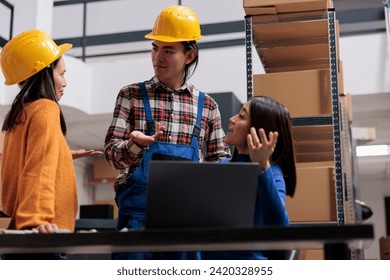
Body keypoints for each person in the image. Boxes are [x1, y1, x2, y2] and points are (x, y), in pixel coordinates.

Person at [104, 5, 231, 260]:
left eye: (168, 50)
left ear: (189, 55)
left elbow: (220, 166)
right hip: (138, 217)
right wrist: (134, 146)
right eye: (155, 48)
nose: (157, 57)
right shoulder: (131, 96)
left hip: (188, 221)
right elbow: (110, 155)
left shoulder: (207, 106)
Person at [0, 29, 100, 260]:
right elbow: (39, 168)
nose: (65, 82)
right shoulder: (46, 108)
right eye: (62, 73)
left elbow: (19, 170)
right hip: (43, 236)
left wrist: (64, 154)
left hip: (20, 237)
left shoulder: (19, 114)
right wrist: (37, 220)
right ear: (45, 71)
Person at [201, 95, 297, 260]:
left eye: (242, 116)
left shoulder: (271, 172)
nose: (232, 119)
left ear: (260, 129)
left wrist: (262, 167)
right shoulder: (219, 167)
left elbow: (280, 229)